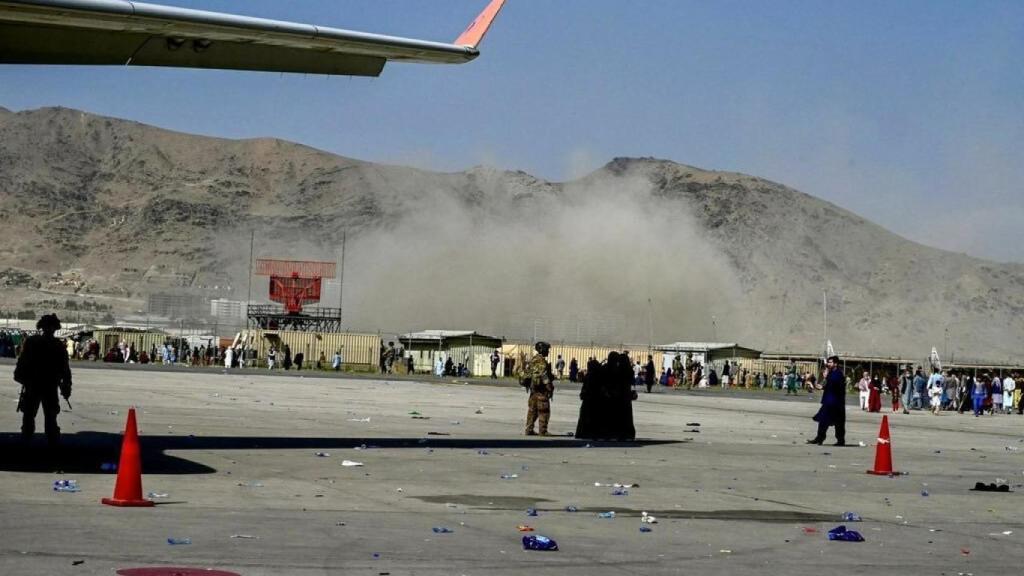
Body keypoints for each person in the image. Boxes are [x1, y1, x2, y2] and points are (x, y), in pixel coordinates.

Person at [14, 314, 73, 447]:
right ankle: (48, 443)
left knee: (35, 416)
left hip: (38, 385)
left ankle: (29, 441)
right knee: (44, 417)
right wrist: (66, 385)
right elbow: (65, 369)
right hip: (45, 386)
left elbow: (64, 368)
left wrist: (66, 384)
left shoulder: (33, 342)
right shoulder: (56, 345)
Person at [807, 355, 845, 446]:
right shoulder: (831, 373)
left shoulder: (838, 373)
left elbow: (835, 384)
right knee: (823, 420)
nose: (828, 364)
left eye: (830, 362)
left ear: (835, 363)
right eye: (828, 362)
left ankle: (840, 440)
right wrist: (821, 386)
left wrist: (827, 377)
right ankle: (819, 438)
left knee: (838, 423)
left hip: (836, 402)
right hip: (828, 401)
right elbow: (829, 386)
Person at [523, 341, 555, 436]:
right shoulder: (542, 361)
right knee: (544, 411)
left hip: (533, 391)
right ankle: (543, 431)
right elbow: (543, 376)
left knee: (532, 411)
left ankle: (529, 429)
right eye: (547, 350)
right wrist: (549, 387)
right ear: (542, 349)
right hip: (541, 391)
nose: (548, 352)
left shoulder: (533, 360)